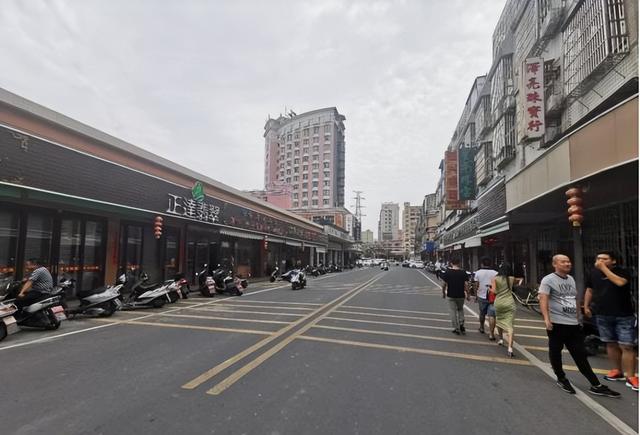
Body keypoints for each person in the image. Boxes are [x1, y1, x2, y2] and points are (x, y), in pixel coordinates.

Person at [539, 254, 620, 397]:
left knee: (580, 354)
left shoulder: (571, 279)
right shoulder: (548, 280)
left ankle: (596, 385)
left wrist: (578, 317)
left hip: (573, 325)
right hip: (557, 323)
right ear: (555, 264)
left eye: (568, 261)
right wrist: (547, 319)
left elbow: (575, 299)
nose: (567, 264)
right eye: (563, 262)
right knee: (555, 352)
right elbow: (543, 299)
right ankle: (561, 378)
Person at [584, 250, 638, 391]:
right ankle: (616, 370)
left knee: (627, 345)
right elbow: (589, 290)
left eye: (604, 259)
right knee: (610, 343)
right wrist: (586, 306)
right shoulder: (593, 273)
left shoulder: (622, 272)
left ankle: (631, 376)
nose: (600, 261)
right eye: (598, 258)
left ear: (613, 261)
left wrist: (603, 269)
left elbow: (620, 282)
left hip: (623, 315)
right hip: (602, 314)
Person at [489, 263, 520, 357]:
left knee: (499, 321)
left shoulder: (495, 278)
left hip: (499, 303)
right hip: (509, 302)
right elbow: (519, 281)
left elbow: (494, 291)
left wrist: (489, 288)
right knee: (510, 326)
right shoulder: (511, 278)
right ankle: (510, 348)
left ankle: (501, 339)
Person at [441, 257, 469, 335]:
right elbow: (466, 285)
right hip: (461, 295)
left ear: (451, 263)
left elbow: (443, 284)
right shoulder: (463, 272)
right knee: (460, 309)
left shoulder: (447, 272)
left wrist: (443, 293)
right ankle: (461, 324)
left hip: (451, 295)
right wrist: (468, 294)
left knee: (453, 311)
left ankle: (456, 328)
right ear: (459, 263)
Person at [474, 257, 498, 336]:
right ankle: (491, 333)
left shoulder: (478, 273)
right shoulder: (495, 273)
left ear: (482, 263)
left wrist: (476, 295)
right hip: (493, 296)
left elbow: (476, 285)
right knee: (492, 315)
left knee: (482, 313)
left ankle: (481, 327)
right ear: (490, 264)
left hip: (481, 296)